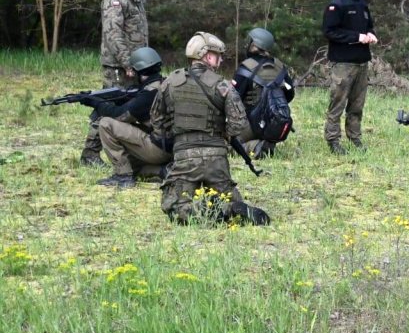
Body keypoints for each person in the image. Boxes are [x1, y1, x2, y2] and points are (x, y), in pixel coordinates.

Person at [150, 32, 269, 226]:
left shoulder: (170, 82)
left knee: (173, 207)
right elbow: (239, 123)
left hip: (184, 157)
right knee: (229, 197)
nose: (221, 59)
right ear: (206, 56)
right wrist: (224, 135)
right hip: (217, 159)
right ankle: (230, 208)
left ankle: (204, 212)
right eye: (218, 55)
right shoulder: (222, 85)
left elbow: (156, 119)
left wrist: (175, 137)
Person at [81, 0, 149, 166]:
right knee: (109, 106)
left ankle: (134, 149)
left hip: (137, 64)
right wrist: (127, 63)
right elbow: (113, 34)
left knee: (131, 106)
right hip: (119, 67)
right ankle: (90, 154)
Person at [87, 47, 171, 187]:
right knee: (133, 165)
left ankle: (122, 176)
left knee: (106, 124)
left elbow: (120, 115)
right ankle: (163, 171)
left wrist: (97, 103)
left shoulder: (148, 93)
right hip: (171, 147)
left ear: (140, 71)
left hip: (158, 149)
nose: (131, 74)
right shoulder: (163, 84)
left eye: (133, 71)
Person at [323, 0, 377, 155]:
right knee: (337, 102)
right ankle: (333, 140)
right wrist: (356, 37)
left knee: (357, 104)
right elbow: (330, 31)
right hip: (343, 63)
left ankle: (354, 137)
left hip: (362, 62)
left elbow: (369, 26)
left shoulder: (363, 3)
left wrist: (370, 34)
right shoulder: (337, 4)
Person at [232, 27, 295, 159]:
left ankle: (254, 147)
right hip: (273, 123)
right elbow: (290, 95)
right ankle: (266, 143)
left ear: (253, 45)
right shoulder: (279, 66)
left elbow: (233, 98)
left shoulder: (246, 67)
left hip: (250, 125)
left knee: (222, 145)